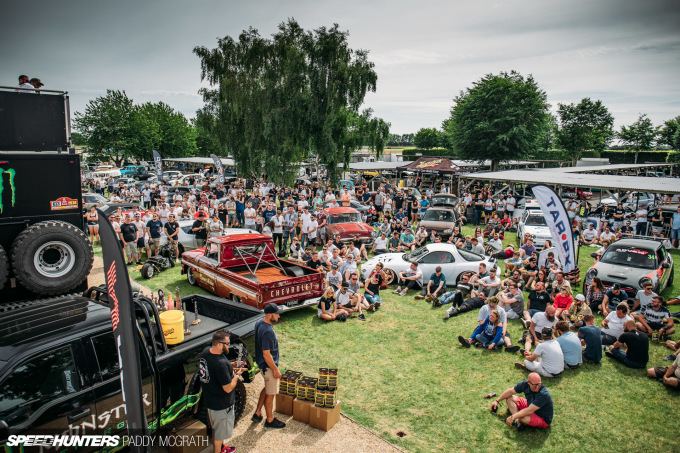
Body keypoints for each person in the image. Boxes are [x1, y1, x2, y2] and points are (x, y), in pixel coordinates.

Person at [199, 330, 243, 453]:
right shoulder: (220, 364)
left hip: (211, 401)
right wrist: (236, 376)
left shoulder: (206, 352)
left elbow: (214, 369)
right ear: (220, 344)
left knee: (217, 430)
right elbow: (228, 388)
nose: (229, 346)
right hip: (222, 406)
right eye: (227, 344)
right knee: (219, 436)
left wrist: (231, 365)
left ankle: (223, 448)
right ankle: (219, 450)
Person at [252, 303, 286, 428]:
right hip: (268, 367)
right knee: (271, 394)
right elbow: (266, 354)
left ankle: (257, 413)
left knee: (267, 388)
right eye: (276, 314)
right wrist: (275, 370)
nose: (278, 316)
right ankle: (270, 420)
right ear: (269, 315)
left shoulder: (259, 323)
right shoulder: (267, 331)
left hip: (262, 365)